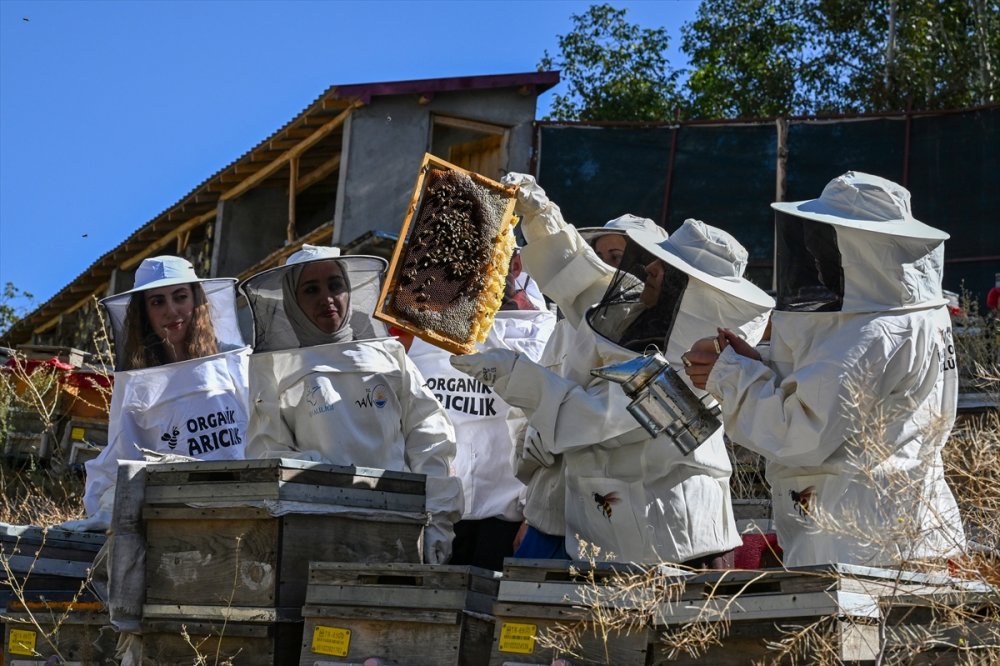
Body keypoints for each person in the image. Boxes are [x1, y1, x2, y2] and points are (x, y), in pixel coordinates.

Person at [453, 174, 774, 566]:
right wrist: (538, 213)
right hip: (595, 519)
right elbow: (578, 277)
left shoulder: (687, 374)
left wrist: (510, 373)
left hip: (674, 544)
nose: (652, 268)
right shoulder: (638, 311)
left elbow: (590, 417)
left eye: (669, 269)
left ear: (692, 294)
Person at [683, 171, 967, 567]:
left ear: (860, 246)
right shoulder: (919, 316)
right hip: (903, 529)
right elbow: (839, 395)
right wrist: (755, 364)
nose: (814, 253)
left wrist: (730, 376)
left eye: (825, 239)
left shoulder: (875, 332)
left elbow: (801, 431)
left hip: (863, 542)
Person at [240, 244, 463, 565]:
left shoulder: (389, 355)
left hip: (402, 524)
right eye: (311, 289)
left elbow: (429, 437)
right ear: (292, 302)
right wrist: (324, 481)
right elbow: (268, 452)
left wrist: (437, 519)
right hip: (321, 531)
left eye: (335, 285)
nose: (326, 298)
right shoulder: (275, 371)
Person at [509, 214, 668, 560]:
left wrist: (554, 424)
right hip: (547, 515)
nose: (618, 268)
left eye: (627, 257)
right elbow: (525, 420)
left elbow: (610, 423)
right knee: (523, 608)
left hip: (617, 523)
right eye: (608, 257)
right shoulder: (564, 330)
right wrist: (528, 507)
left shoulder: (661, 342)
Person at [73, 256, 250, 530]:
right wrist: (104, 505)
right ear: (144, 312)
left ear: (196, 301)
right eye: (157, 302)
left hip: (245, 508)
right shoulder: (139, 384)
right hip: (170, 521)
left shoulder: (236, 362)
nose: (171, 310)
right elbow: (122, 455)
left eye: (180, 297)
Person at [408, 250, 556, 570]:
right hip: (438, 518)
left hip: (510, 522)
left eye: (481, 261)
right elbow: (415, 423)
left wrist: (534, 515)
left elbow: (549, 434)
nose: (468, 273)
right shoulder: (429, 329)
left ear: (514, 264)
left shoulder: (545, 334)